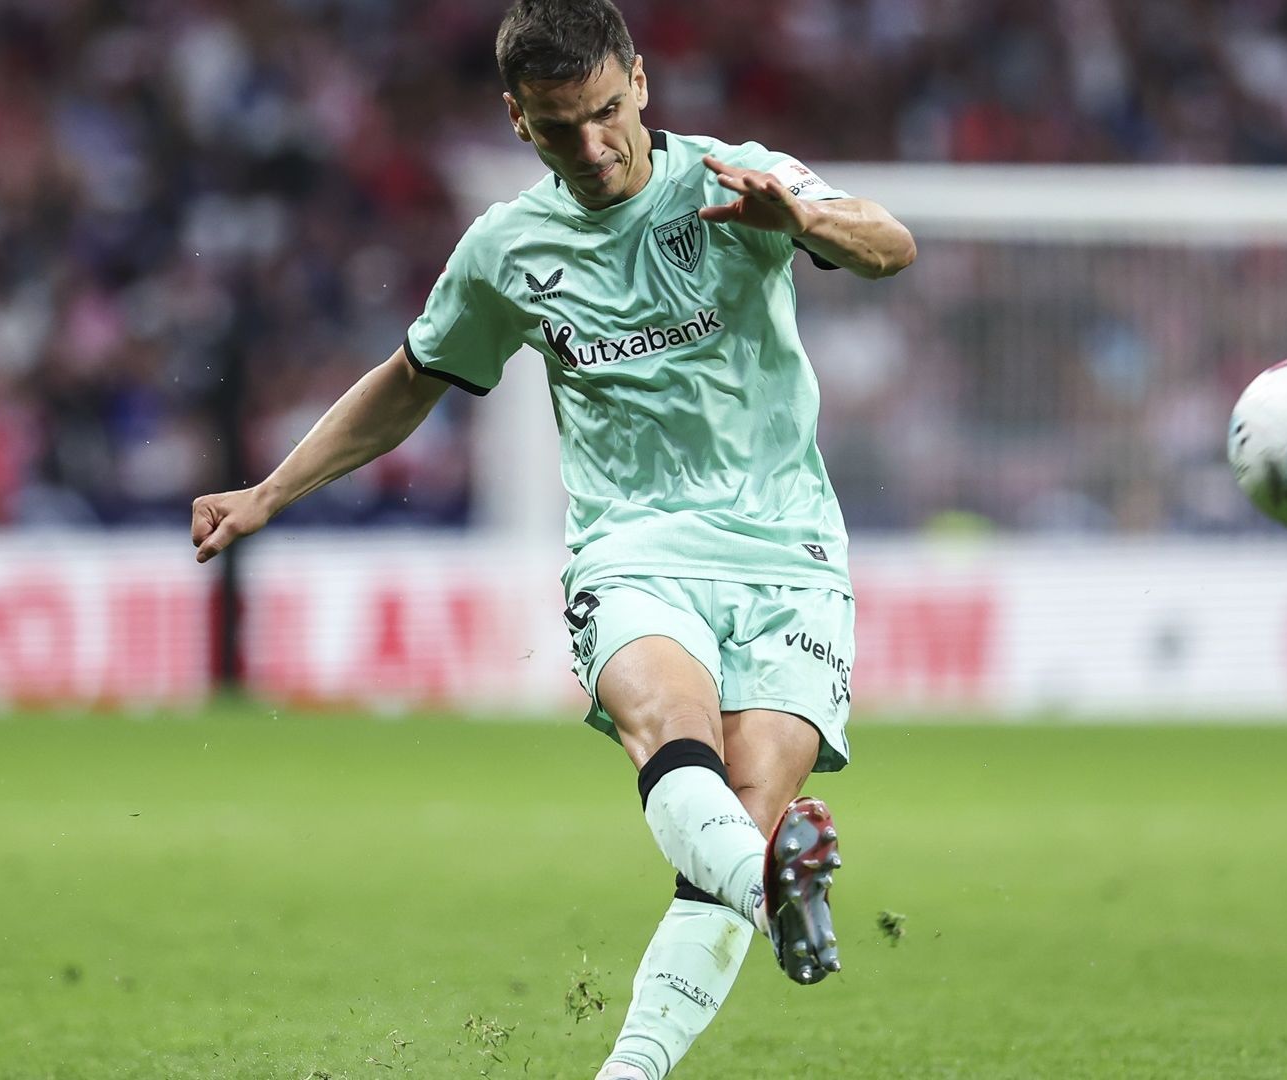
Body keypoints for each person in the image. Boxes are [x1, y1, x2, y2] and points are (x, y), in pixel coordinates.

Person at [189, 0, 915, 1074]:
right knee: (673, 735)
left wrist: (803, 221)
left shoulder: (738, 178)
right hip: (635, 549)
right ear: (518, 119)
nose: (592, 145)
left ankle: (655, 1035)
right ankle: (777, 900)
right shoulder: (507, 247)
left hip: (789, 554)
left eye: (607, 112)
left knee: (740, 826)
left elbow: (891, 246)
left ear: (640, 82)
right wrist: (269, 492)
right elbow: (411, 381)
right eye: (560, 126)